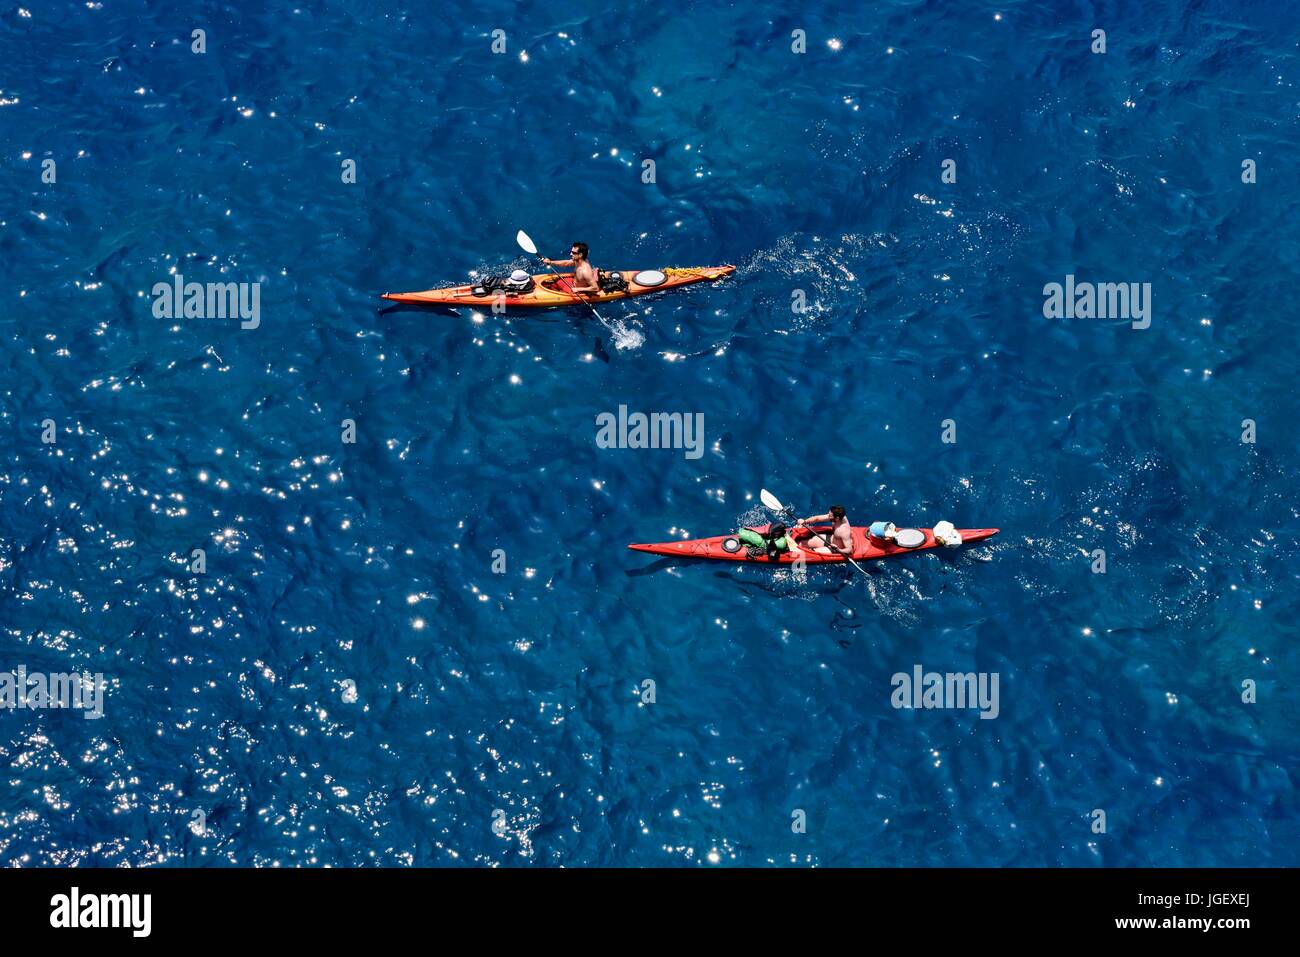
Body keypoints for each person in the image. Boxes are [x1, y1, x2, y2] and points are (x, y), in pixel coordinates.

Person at [736, 522, 802, 561]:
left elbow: (773, 556)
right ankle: (767, 546)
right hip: (772, 541)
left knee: (776, 544)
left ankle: (765, 548)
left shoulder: (781, 544)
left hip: (773, 544)